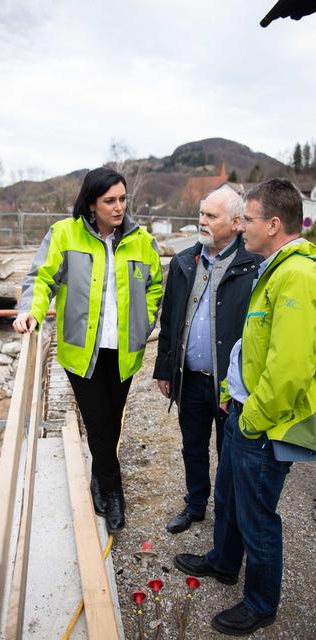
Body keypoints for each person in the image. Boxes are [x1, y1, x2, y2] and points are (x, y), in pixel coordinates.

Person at [174, 179, 316, 636]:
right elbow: (253, 346)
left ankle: (260, 603)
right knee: (231, 495)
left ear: (274, 224)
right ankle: (222, 562)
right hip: (241, 408)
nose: (242, 227)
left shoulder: (296, 276)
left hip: (263, 420)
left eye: (249, 220)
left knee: (258, 516)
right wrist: (232, 392)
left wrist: (251, 418)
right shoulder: (273, 268)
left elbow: (290, 367)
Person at [13, 167, 162, 533]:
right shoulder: (64, 234)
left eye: (123, 199)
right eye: (109, 200)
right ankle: (113, 492)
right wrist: (29, 311)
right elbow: (41, 277)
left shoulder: (142, 241)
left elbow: (156, 286)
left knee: (111, 422)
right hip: (83, 351)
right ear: (92, 204)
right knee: (97, 423)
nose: (119, 207)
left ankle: (100, 477)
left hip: (124, 351)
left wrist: (144, 324)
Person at [153, 186, 261, 534]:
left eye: (210, 216)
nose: (202, 221)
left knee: (228, 456)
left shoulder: (253, 267)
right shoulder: (185, 261)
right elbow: (169, 320)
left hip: (230, 386)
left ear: (236, 222)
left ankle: (228, 524)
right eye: (201, 214)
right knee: (192, 448)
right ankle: (196, 506)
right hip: (191, 379)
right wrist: (164, 369)